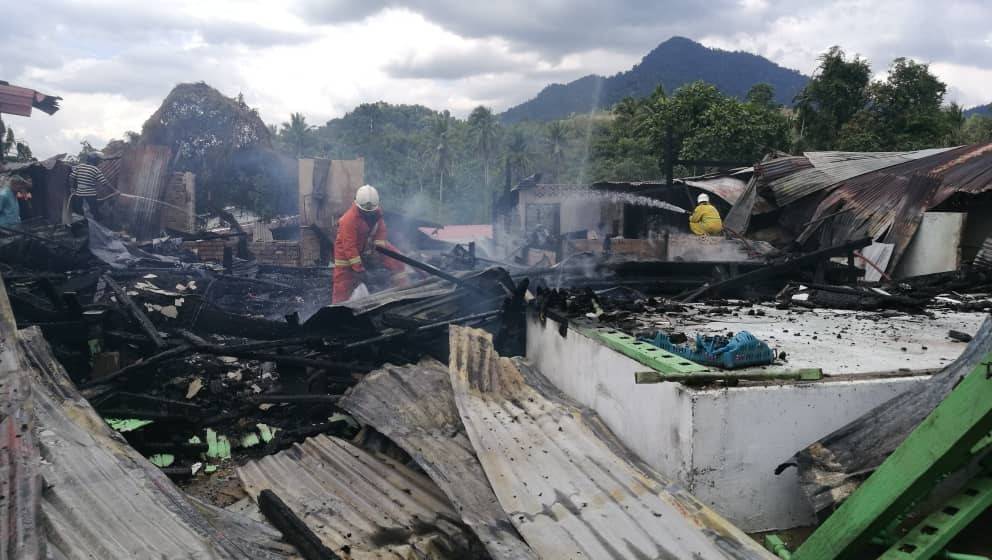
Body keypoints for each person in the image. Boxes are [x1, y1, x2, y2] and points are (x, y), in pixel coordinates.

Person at [332, 185, 409, 303]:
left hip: (365, 244)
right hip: (346, 252)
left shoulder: (376, 212)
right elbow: (349, 247)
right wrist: (358, 269)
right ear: (358, 205)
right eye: (365, 211)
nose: (368, 214)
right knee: (343, 282)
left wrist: (378, 250)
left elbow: (381, 230)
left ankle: (403, 293)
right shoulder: (348, 220)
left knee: (396, 259)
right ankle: (336, 310)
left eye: (371, 211)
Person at [69, 153, 112, 218]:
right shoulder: (95, 169)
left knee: (79, 210)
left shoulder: (80, 166)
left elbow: (71, 177)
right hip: (90, 194)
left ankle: (81, 221)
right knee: (95, 211)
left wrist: (72, 187)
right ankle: (97, 221)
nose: (99, 162)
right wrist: (115, 190)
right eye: (98, 160)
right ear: (95, 161)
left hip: (79, 193)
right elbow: (104, 182)